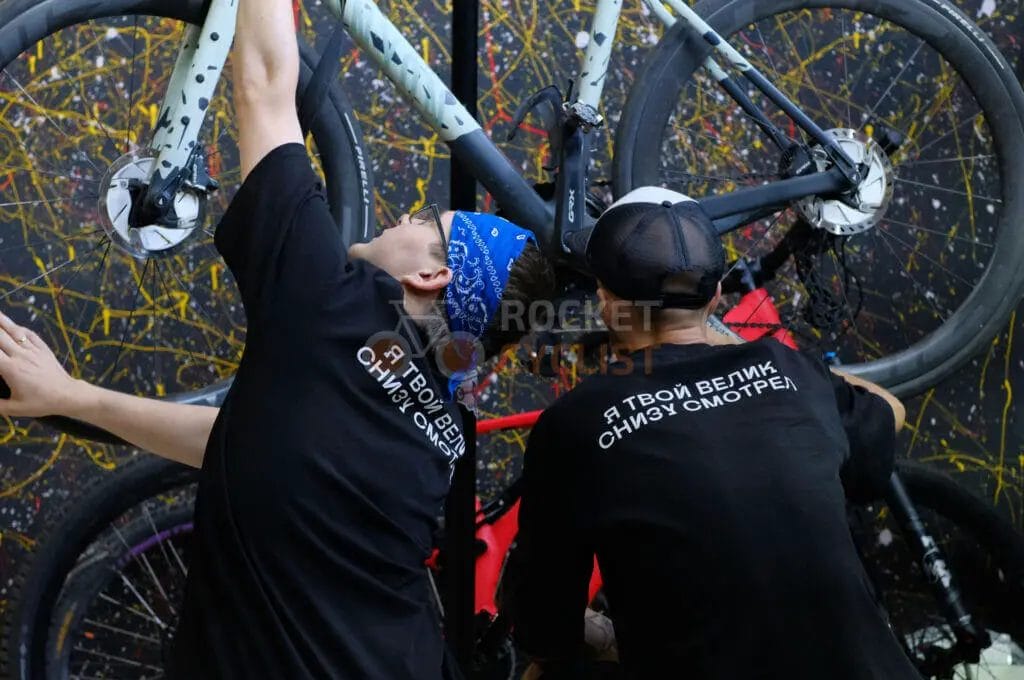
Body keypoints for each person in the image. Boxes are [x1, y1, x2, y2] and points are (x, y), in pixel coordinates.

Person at [0, 1, 554, 677]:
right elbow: (252, 443)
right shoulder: (434, 437)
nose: (407, 214)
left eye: (425, 217)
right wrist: (76, 398)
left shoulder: (332, 306)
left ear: (433, 274)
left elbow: (264, 82)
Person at [511, 187, 920, 679]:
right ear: (718, 295)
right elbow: (890, 412)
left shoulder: (576, 420)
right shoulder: (789, 369)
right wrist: (741, 348)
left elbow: (542, 627)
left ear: (606, 303)